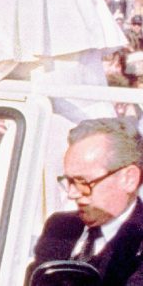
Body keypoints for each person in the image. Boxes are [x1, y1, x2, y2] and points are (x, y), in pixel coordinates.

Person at [29, 118, 143, 284]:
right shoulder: (59, 227)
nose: (72, 193)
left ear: (129, 179)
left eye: (83, 182)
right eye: (69, 181)